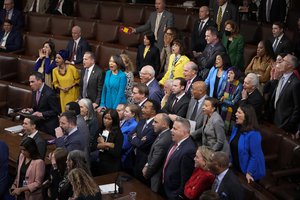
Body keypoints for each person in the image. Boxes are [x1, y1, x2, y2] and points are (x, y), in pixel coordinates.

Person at [230, 104, 266, 182]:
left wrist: (249, 172)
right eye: (236, 112)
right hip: (236, 167)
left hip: (249, 172)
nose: (236, 114)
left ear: (247, 116)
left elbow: (255, 156)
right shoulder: (236, 128)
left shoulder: (254, 134)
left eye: (239, 113)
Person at [163, 118, 197, 200]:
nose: (171, 130)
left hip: (173, 194)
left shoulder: (189, 150)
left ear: (184, 132)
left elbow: (185, 178)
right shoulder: (175, 141)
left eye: (175, 129)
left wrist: (177, 195)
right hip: (165, 188)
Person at [128, 100, 159, 182]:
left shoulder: (154, 126)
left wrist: (135, 138)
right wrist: (137, 139)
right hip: (135, 159)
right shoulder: (142, 121)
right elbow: (130, 135)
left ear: (153, 111)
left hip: (144, 162)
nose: (142, 110)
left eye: (145, 108)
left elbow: (142, 144)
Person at [270, 54, 300, 135]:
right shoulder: (281, 77)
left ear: (289, 66)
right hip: (275, 120)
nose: (280, 62)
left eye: (283, 61)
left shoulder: (296, 83)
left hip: (284, 125)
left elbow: (297, 108)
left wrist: (289, 125)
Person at [142, 113, 172, 192]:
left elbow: (155, 161)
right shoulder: (165, 134)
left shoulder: (163, 141)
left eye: (156, 122)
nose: (152, 124)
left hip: (156, 177)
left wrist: (147, 172)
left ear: (164, 124)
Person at [24, 71, 60, 136]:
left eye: (32, 82)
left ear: (40, 81)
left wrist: (42, 114)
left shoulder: (50, 93)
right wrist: (32, 109)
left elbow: (56, 111)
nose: (30, 84)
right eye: (30, 82)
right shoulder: (34, 90)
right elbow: (38, 106)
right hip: (39, 124)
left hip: (48, 126)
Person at [94, 109, 123, 175]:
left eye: (109, 119)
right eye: (105, 118)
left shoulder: (118, 134)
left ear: (114, 120)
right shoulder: (100, 130)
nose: (106, 120)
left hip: (112, 165)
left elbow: (116, 153)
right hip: (100, 162)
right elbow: (93, 146)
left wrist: (103, 144)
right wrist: (108, 145)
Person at [219, 67, 243, 133]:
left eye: (231, 73)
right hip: (223, 109)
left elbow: (234, 103)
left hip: (232, 111)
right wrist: (228, 100)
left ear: (236, 75)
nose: (228, 75)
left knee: (229, 130)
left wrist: (224, 100)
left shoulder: (239, 86)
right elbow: (219, 96)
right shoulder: (225, 82)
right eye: (228, 73)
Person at [120, 104, 139, 171]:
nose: (124, 113)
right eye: (124, 111)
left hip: (124, 157)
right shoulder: (126, 121)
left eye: (126, 112)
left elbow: (125, 145)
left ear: (133, 114)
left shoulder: (134, 126)